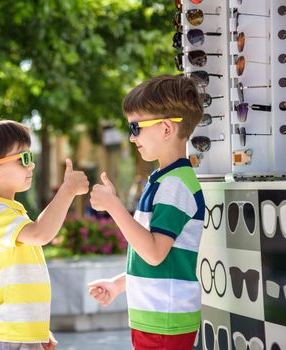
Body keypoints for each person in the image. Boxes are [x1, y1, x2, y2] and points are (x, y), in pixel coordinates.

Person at [0, 119, 89, 350]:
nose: (31, 165)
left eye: (30, 157)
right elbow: (41, 233)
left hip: (18, 335)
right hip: (7, 337)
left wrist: (36, 331)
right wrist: (68, 191)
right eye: (23, 158)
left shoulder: (10, 210)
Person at [88, 74, 205, 350]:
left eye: (136, 127)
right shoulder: (164, 180)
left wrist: (114, 206)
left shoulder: (175, 184)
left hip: (164, 322)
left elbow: (154, 253)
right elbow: (162, 261)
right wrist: (118, 285)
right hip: (157, 319)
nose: (131, 137)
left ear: (166, 128)